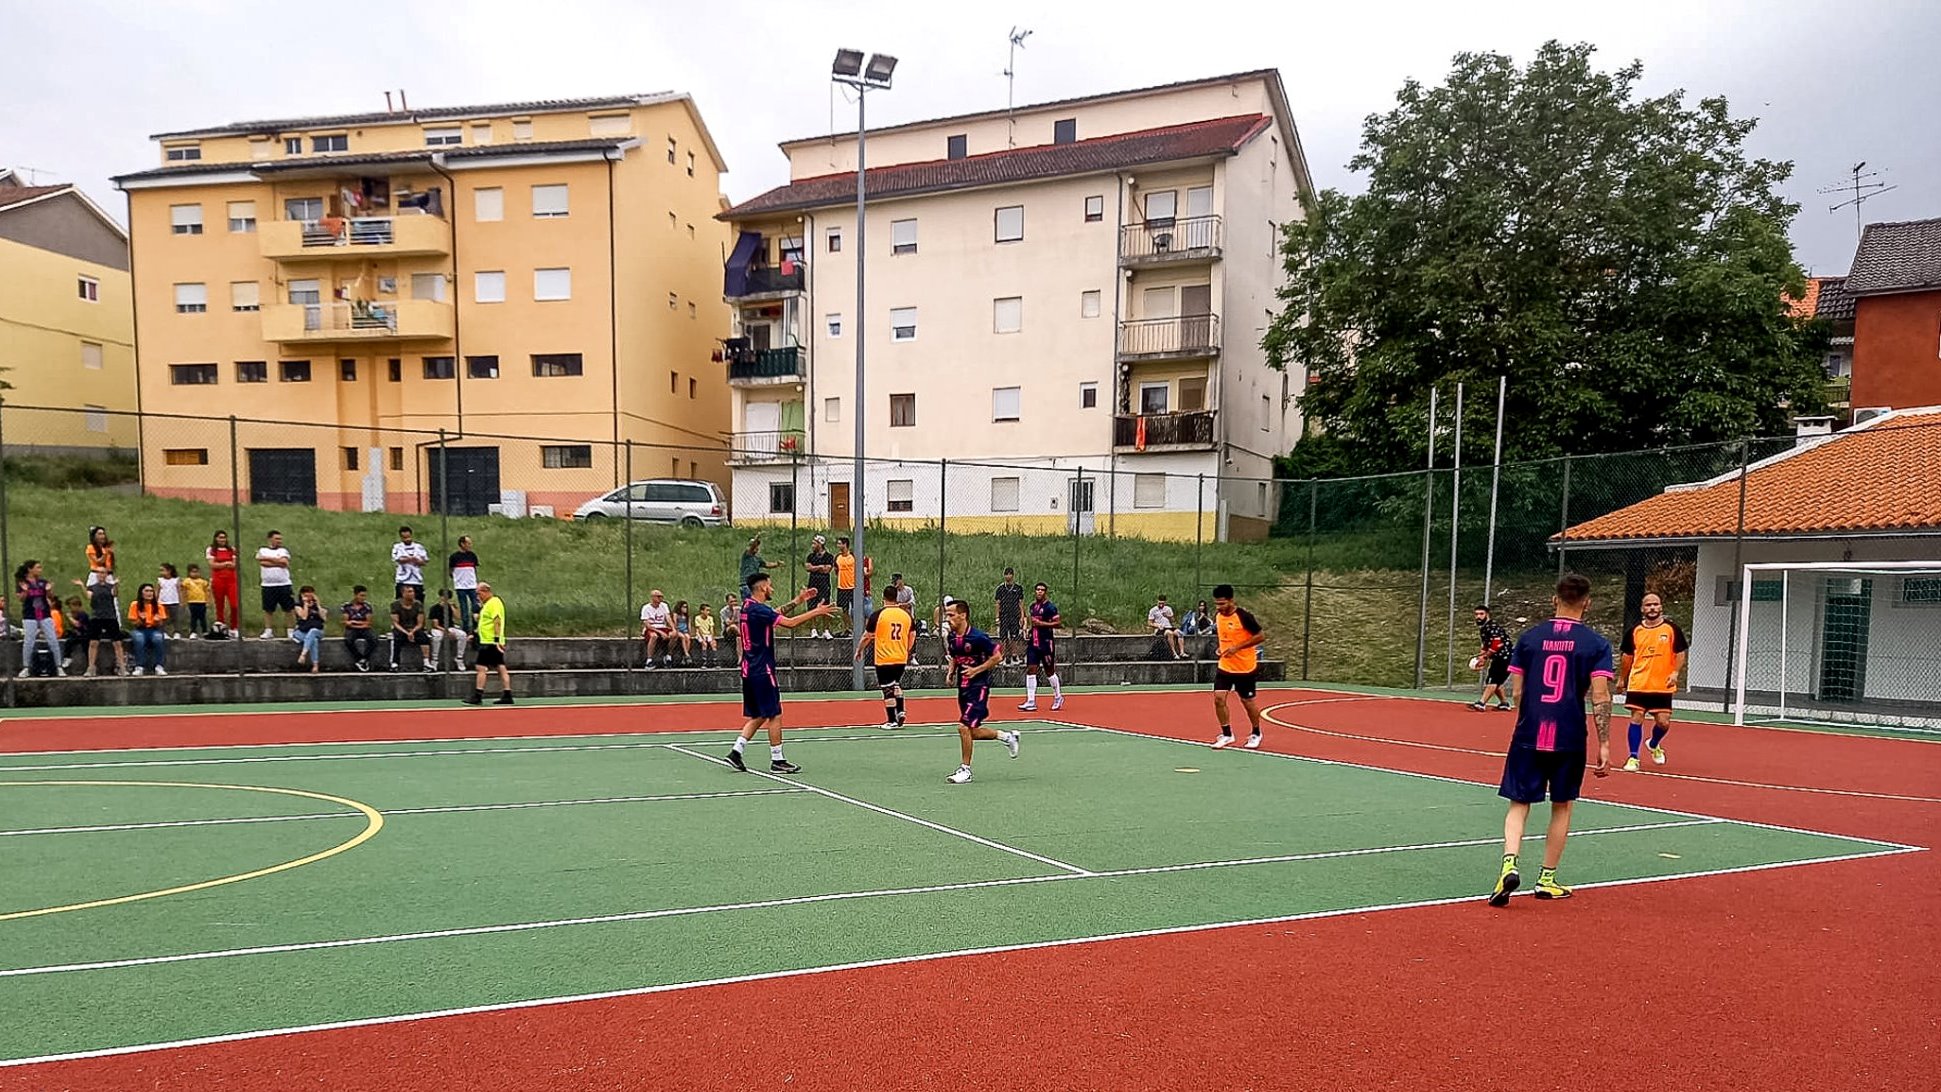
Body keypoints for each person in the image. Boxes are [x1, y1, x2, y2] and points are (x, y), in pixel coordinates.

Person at [1487, 573, 1615, 908]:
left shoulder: (1530, 639)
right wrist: (1604, 743)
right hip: (1569, 736)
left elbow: (1517, 692)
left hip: (1530, 733)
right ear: (1587, 603)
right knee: (1562, 805)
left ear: (1554, 599)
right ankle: (1546, 879)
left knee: (1519, 803)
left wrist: (1525, 720)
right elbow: (1600, 696)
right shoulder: (1596, 644)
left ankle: (1509, 865)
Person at [723, 574, 835, 774]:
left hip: (749, 669)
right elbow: (790, 623)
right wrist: (816, 612)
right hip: (762, 670)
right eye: (770, 586)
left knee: (760, 714)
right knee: (774, 713)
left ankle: (736, 751)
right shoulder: (758, 610)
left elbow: (774, 613)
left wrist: (798, 600)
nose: (772, 589)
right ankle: (778, 760)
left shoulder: (748, 607)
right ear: (762, 588)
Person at [944, 599, 1022, 784]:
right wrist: (950, 672)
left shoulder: (978, 637)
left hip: (978, 688)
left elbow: (997, 657)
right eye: (947, 615)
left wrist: (976, 670)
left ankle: (965, 770)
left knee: (963, 727)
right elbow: (955, 656)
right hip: (963, 688)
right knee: (971, 732)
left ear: (963, 615)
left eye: (951, 615)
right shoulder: (952, 637)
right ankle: (1007, 737)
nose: (947, 619)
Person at [1619, 593, 1690, 771]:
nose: (1652, 608)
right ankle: (1633, 757)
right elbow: (1627, 657)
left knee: (1663, 722)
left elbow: (1680, 653)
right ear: (1642, 609)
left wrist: (1675, 672)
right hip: (1639, 683)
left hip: (1662, 684)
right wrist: (1622, 679)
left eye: (1655, 604)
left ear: (1660, 607)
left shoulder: (1671, 629)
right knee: (1636, 717)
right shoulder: (1635, 631)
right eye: (1648, 605)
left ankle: (1653, 743)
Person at [1209, 584, 1267, 748]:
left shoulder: (1244, 617)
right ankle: (1227, 734)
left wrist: (1237, 648)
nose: (1219, 607)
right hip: (1225, 666)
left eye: (1222, 603)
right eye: (1217, 604)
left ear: (1231, 600)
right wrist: (1221, 648)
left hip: (1245, 668)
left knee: (1247, 702)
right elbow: (1226, 637)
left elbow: (1261, 636)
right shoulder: (1218, 616)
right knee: (1219, 698)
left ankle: (1256, 733)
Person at [856, 591, 916, 731]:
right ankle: (900, 711)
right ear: (896, 597)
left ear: (883, 598)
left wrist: (859, 649)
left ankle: (892, 720)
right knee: (895, 684)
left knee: (887, 689)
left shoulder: (878, 615)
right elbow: (912, 634)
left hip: (884, 659)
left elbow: (867, 636)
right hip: (900, 658)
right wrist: (906, 649)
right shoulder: (906, 615)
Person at [465, 581, 513, 705]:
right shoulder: (487, 604)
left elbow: (497, 621)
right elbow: (485, 623)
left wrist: (496, 640)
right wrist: (474, 633)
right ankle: (507, 693)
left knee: (481, 667)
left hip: (490, 641)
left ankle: (478, 695)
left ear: (486, 591)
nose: (477, 596)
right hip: (488, 640)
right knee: (500, 666)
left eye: (479, 593)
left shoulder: (494, 603)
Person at [1018, 582, 1063, 712]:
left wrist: (1041, 623)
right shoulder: (1033, 607)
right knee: (1031, 669)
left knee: (1049, 672)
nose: (1039, 592)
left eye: (1042, 590)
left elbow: (1058, 623)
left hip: (1046, 643)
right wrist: (1029, 631)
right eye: (1037, 590)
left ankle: (1058, 696)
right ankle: (1031, 701)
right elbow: (1032, 623)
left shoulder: (1050, 607)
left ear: (1045, 592)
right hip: (1034, 643)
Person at [15, 561, 62, 678]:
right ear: (30, 569)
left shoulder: (42, 582)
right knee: (29, 641)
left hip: (44, 614)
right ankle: (26, 667)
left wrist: (49, 590)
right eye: (38, 567)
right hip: (30, 615)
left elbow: (51, 597)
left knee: (53, 639)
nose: (40, 570)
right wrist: (25, 591)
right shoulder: (22, 583)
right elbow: (21, 599)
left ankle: (58, 666)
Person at [1470, 604, 1514, 712]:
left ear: (1487, 614)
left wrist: (1485, 657)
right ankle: (1504, 703)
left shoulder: (1492, 626)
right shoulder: (1484, 628)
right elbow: (1485, 645)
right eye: (1476, 614)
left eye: (1481, 614)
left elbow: (1496, 644)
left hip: (1505, 657)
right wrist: (1481, 658)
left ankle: (1481, 703)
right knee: (1497, 681)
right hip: (1500, 658)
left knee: (1493, 680)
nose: (1478, 616)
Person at [82, 576, 128, 677]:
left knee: (117, 643)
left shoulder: (110, 587)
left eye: (103, 573)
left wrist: (116, 585)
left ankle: (122, 667)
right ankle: (91, 667)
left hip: (110, 617)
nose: (101, 575)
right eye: (99, 573)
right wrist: (82, 586)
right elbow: (88, 596)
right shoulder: (92, 587)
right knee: (93, 643)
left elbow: (114, 594)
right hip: (96, 617)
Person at [257, 530, 295, 639]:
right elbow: (262, 562)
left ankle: (290, 630)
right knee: (268, 609)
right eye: (277, 539)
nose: (279, 541)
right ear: (270, 539)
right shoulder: (263, 550)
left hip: (284, 584)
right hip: (268, 585)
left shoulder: (283, 551)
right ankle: (268, 630)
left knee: (288, 608)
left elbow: (284, 563)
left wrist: (270, 560)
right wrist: (277, 561)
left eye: (280, 539)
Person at [389, 585, 434, 672]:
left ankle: (426, 663)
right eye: (409, 592)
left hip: (414, 628)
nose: (412, 594)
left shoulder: (418, 604)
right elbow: (395, 623)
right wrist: (407, 633)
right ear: (403, 593)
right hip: (401, 628)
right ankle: (395, 662)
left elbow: (420, 623)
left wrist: (412, 631)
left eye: (412, 591)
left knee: (424, 638)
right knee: (397, 638)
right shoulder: (395, 605)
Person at [126, 583, 169, 676]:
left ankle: (159, 666)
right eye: (147, 591)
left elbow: (161, 623)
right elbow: (133, 623)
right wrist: (141, 620)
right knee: (139, 639)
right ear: (141, 593)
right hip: (139, 629)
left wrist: (157, 621)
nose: (149, 593)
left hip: (154, 629)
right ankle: (139, 666)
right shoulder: (135, 605)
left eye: (151, 591)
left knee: (158, 638)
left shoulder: (159, 606)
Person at [206, 530, 240, 632]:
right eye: (220, 537)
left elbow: (234, 565)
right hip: (218, 580)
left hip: (231, 580)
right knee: (219, 604)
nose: (222, 540)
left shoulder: (232, 549)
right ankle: (220, 626)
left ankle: (234, 627)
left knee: (234, 604)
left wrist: (221, 564)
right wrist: (225, 564)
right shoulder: (211, 549)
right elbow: (213, 565)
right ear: (216, 538)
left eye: (224, 537)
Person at [429, 588, 469, 671]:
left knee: (463, 635)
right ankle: (434, 660)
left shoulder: (451, 607)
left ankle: (459, 658)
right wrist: (446, 631)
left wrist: (452, 607)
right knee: (437, 638)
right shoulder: (435, 608)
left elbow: (458, 618)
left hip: (450, 627)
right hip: (438, 628)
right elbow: (435, 624)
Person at [805, 535, 836, 638]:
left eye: (814, 543)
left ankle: (826, 630)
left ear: (820, 544)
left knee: (825, 605)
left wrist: (814, 568)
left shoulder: (829, 556)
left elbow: (827, 569)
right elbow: (808, 568)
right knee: (811, 606)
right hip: (812, 584)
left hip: (824, 584)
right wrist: (820, 567)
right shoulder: (810, 556)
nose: (812, 545)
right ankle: (813, 629)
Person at [341, 585, 377, 671]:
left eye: (364, 596)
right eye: (361, 595)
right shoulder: (347, 606)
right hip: (352, 629)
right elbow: (346, 622)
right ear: (355, 595)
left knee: (374, 639)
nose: (363, 598)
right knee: (348, 640)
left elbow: (368, 623)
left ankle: (365, 658)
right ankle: (359, 658)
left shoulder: (367, 607)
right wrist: (354, 624)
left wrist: (354, 622)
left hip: (364, 628)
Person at [835, 536, 866, 636]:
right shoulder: (838, 557)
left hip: (852, 587)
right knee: (844, 610)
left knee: (855, 609)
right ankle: (847, 628)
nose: (838, 545)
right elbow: (836, 570)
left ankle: (857, 628)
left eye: (840, 543)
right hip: (841, 587)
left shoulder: (853, 557)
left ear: (845, 545)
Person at [994, 567, 1026, 666]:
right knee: (1003, 637)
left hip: (1014, 616)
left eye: (1009, 574)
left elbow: (1021, 603)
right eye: (1006, 574)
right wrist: (997, 617)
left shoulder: (1018, 588)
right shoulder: (1000, 589)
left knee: (1014, 636)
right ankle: (1002, 656)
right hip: (1004, 615)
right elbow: (997, 603)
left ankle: (1014, 656)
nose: (1008, 576)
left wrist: (1022, 616)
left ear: (1013, 575)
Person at [292, 586, 328, 674]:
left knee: (313, 631)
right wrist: (305, 605)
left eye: (310, 596)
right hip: (302, 631)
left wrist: (318, 605)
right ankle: (315, 665)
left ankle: (303, 654)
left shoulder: (317, 606)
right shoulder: (298, 606)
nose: (309, 598)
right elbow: (304, 617)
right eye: (306, 596)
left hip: (317, 631)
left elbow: (324, 618)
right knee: (313, 640)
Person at [448, 535, 481, 629]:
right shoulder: (454, 557)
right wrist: (457, 579)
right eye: (468, 543)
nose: (470, 545)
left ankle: (475, 626)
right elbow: (450, 570)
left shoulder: (472, 556)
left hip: (472, 585)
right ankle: (466, 627)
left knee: (475, 606)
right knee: (464, 607)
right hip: (461, 586)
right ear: (462, 544)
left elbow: (474, 569)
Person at [391, 525, 428, 602]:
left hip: (416, 579)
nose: (407, 539)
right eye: (404, 537)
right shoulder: (397, 547)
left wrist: (417, 561)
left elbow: (424, 561)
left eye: (408, 537)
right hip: (402, 580)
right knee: (401, 602)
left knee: (418, 602)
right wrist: (410, 559)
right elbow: (397, 559)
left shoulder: (419, 547)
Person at [640, 589, 675, 667]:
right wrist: (660, 632)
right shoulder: (646, 608)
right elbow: (647, 624)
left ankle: (668, 656)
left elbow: (668, 618)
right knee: (654, 636)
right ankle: (649, 660)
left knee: (674, 635)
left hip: (662, 626)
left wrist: (673, 628)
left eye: (661, 597)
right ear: (653, 597)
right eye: (658, 597)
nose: (661, 599)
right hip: (652, 628)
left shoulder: (664, 605)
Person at [1148, 594, 1185, 659]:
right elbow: (1149, 623)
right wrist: (1157, 625)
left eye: (1163, 603)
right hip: (1160, 628)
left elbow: (1173, 620)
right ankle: (1174, 653)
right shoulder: (1153, 610)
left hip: (1169, 626)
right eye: (1160, 603)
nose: (1161, 605)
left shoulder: (1168, 609)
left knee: (1180, 633)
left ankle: (1182, 652)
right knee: (1169, 633)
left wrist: (1168, 616)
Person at [60, 596, 91, 672]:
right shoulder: (74, 614)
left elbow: (78, 625)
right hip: (77, 634)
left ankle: (90, 663)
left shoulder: (82, 614)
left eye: (71, 607)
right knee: (69, 641)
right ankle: (67, 657)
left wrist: (70, 618)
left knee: (85, 645)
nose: (70, 609)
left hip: (85, 635)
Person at [181, 564, 211, 639]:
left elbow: (206, 591)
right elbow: (183, 591)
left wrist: (207, 601)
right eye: (193, 572)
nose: (195, 574)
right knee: (193, 618)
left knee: (202, 618)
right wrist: (184, 601)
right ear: (189, 573)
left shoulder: (202, 581)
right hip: (192, 602)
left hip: (202, 602)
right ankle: (193, 632)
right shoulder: (187, 581)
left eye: (196, 572)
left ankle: (204, 631)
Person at [157, 564, 183, 636]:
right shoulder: (160, 580)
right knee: (163, 618)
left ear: (169, 571)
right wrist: (156, 600)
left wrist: (181, 601)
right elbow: (158, 590)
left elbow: (179, 591)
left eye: (163, 570)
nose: (161, 572)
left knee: (175, 618)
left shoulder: (175, 580)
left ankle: (177, 632)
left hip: (174, 601)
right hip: (162, 602)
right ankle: (163, 632)